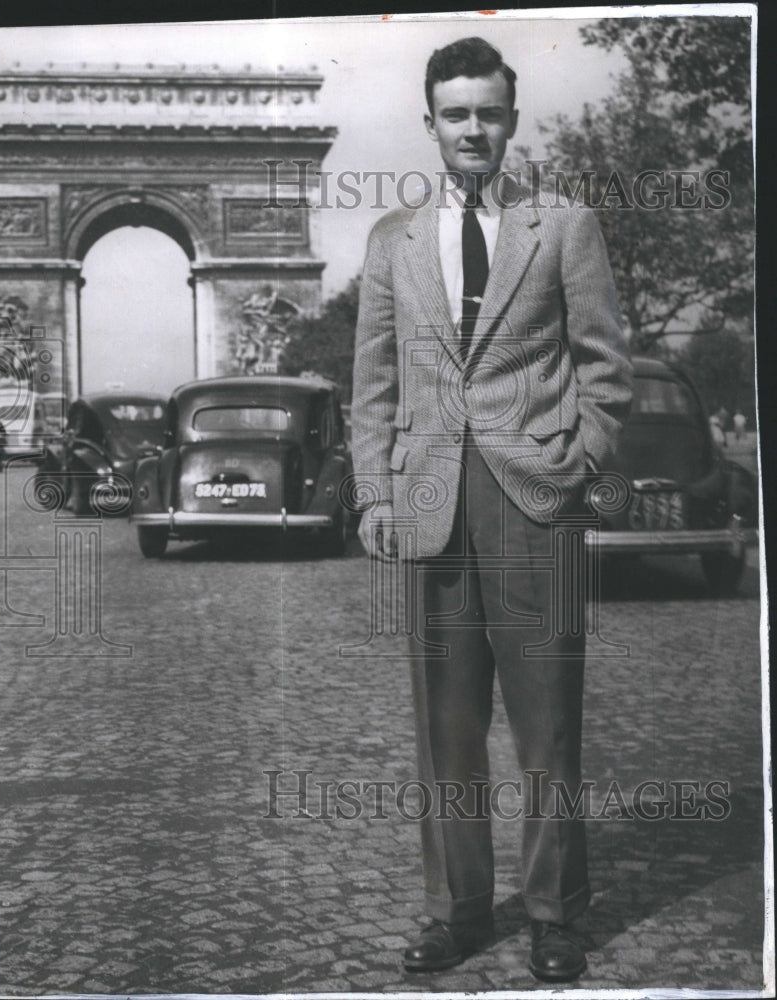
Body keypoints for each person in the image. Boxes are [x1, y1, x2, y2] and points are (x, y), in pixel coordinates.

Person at [351, 37, 633, 982]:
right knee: (447, 727)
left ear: (511, 120)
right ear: (429, 122)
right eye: (455, 113)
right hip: (430, 503)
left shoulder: (563, 225)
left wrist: (577, 459)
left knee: (547, 724)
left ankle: (555, 914)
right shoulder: (392, 239)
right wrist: (374, 492)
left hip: (535, 502)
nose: (472, 129)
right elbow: (372, 383)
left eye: (488, 112)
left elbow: (605, 368)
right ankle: (455, 909)